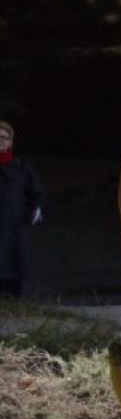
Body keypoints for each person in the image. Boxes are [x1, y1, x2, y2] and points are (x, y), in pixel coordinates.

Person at [0, 120, 44, 298]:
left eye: (4, 138)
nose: (1, 141)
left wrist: (37, 209)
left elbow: (36, 192)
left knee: (13, 262)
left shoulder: (22, 167)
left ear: (11, 141)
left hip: (15, 226)